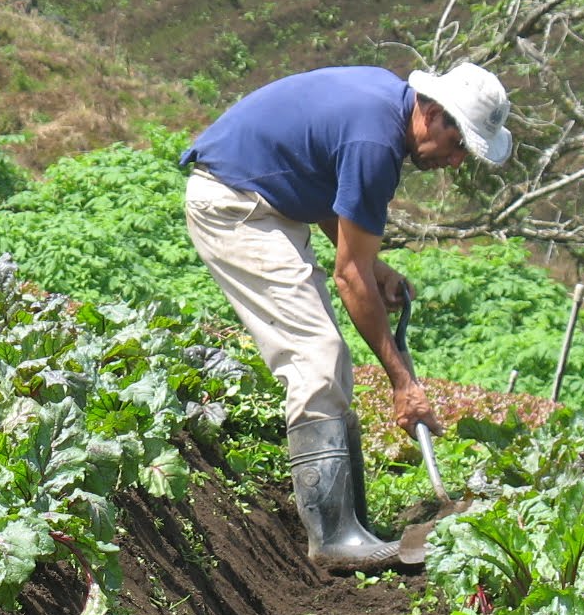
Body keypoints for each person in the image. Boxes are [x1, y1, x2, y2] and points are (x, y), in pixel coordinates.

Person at [181, 62, 511, 572]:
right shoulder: (376, 143)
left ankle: (350, 521)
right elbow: (348, 277)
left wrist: (374, 268)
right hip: (234, 204)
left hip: (268, 202)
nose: (457, 160)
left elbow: (321, 185)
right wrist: (402, 383)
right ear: (432, 112)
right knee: (316, 354)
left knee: (329, 360)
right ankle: (333, 537)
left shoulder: (383, 107)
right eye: (458, 143)